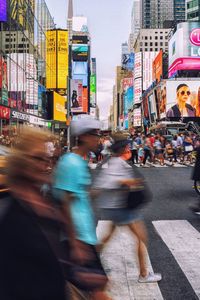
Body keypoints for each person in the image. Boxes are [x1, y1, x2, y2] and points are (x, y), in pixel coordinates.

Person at [0, 127, 68, 300]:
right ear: (20, 161)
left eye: (50, 159)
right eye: (38, 158)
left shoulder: (46, 198)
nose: (46, 165)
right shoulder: (8, 209)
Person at [53, 116, 110, 300]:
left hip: (83, 235)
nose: (98, 139)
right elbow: (65, 203)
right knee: (98, 287)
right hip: (77, 237)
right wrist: (75, 243)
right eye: (96, 134)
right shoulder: (70, 163)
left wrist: (99, 190)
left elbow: (77, 195)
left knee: (89, 289)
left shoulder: (79, 161)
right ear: (84, 136)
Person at [93, 133, 162, 283]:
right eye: (127, 146)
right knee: (141, 238)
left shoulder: (110, 161)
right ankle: (144, 274)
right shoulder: (117, 163)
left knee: (107, 237)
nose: (129, 148)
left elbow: (100, 185)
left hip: (113, 208)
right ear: (123, 148)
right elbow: (107, 183)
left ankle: (91, 264)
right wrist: (126, 182)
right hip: (121, 208)